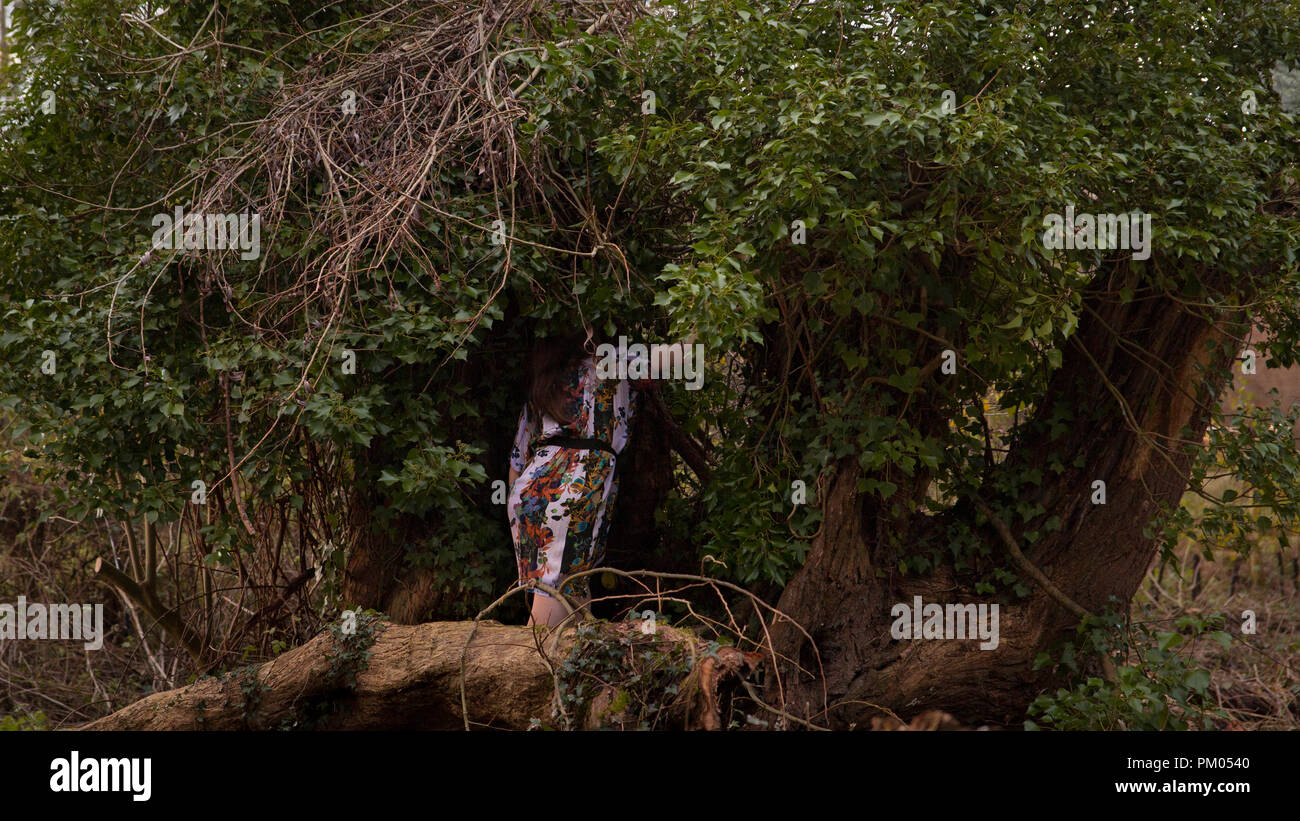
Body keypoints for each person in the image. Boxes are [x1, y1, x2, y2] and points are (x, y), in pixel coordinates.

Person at [507, 327, 695, 627]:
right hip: (575, 488)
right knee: (554, 602)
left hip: (530, 491)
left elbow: (518, 459)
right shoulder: (610, 362)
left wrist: (520, 513)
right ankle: (519, 670)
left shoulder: (548, 376)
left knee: (572, 595)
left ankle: (574, 669)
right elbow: (675, 358)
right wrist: (703, 323)